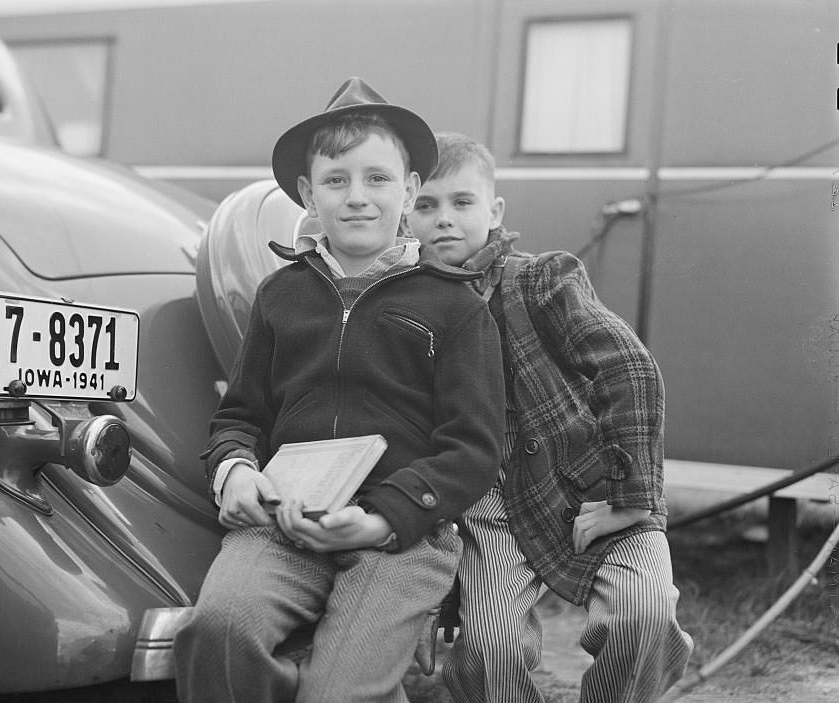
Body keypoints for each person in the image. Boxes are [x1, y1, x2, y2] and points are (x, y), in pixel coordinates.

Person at [173, 83, 505, 703]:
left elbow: (474, 448)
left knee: (339, 691)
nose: (357, 198)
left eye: (378, 179)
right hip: (282, 525)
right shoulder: (282, 296)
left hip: (397, 539)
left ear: (408, 191)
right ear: (306, 194)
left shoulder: (454, 306)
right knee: (218, 629)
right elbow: (240, 414)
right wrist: (237, 472)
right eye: (335, 181)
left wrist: (383, 518)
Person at [405, 132, 693, 703]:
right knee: (488, 651)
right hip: (489, 508)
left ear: (495, 210)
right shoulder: (403, 306)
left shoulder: (539, 281)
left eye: (462, 203)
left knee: (644, 616)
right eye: (426, 205)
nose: (444, 220)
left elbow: (631, 371)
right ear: (404, 212)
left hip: (589, 488)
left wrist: (629, 498)